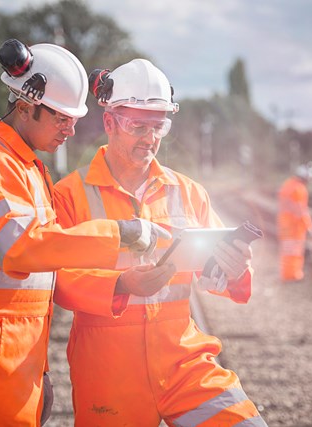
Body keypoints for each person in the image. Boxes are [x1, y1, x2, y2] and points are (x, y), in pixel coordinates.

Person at [0, 40, 171, 426]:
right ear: (26, 107)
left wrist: (38, 369)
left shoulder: (24, 167)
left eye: (75, 119)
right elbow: (20, 250)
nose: (71, 129)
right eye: (62, 118)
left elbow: (45, 258)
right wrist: (118, 233)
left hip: (12, 345)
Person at [52, 59, 268, 426]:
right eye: (138, 125)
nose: (150, 138)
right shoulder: (69, 195)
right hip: (109, 371)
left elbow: (215, 271)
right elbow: (55, 279)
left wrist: (233, 269)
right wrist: (120, 284)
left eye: (159, 126)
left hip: (183, 360)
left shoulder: (188, 191)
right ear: (110, 123)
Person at [277, 161, 312, 282]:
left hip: (285, 223)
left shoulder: (288, 184)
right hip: (295, 226)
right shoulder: (300, 189)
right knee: (295, 251)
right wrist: (309, 227)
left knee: (287, 251)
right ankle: (293, 275)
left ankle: (287, 274)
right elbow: (301, 211)